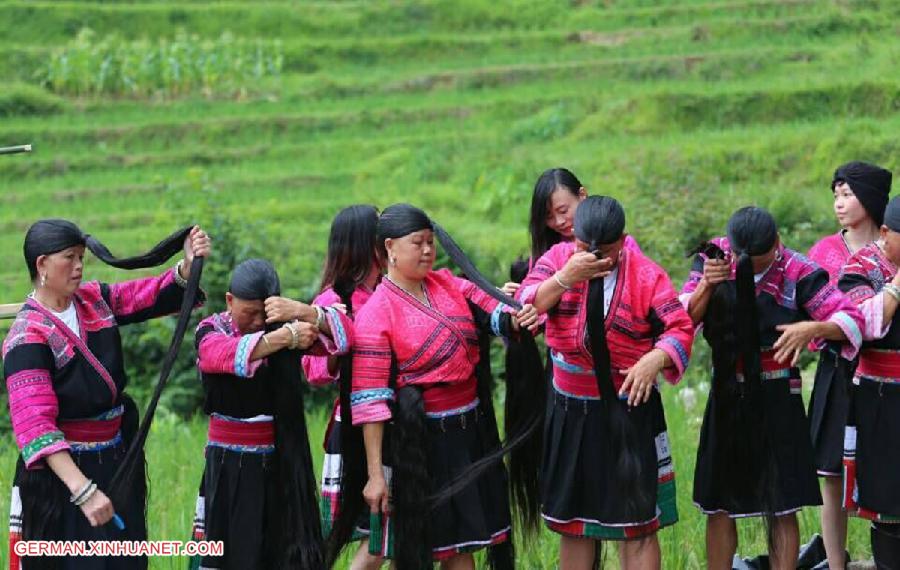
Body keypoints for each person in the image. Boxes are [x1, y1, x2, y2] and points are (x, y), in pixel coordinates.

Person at [340, 204, 538, 570]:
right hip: (417, 444)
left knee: (462, 547)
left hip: (469, 435)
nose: (428, 251)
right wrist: (374, 477)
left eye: (431, 242)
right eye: (418, 243)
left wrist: (516, 317)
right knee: (414, 548)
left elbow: (492, 313)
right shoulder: (376, 313)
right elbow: (369, 403)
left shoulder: (449, 283)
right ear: (390, 248)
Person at [4, 220, 209, 570]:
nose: (79, 266)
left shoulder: (92, 300)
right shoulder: (26, 338)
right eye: (69, 257)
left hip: (115, 462)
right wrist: (83, 492)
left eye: (82, 257)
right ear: (42, 265)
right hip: (63, 481)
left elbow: (145, 295)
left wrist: (187, 267)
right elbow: (37, 429)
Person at [682, 206, 863, 570]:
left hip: (778, 393)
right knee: (720, 507)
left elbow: (850, 318)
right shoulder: (714, 257)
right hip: (726, 392)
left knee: (782, 506)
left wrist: (812, 329)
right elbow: (680, 320)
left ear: (778, 243)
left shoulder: (798, 270)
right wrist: (707, 284)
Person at [517, 196, 692, 570]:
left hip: (629, 409)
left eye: (607, 251)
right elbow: (526, 301)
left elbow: (679, 327)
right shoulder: (556, 261)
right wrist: (566, 277)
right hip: (571, 411)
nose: (595, 256)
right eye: (584, 248)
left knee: (638, 524)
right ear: (573, 238)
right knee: (575, 525)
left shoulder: (647, 275)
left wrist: (655, 358)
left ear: (623, 240)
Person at [191, 258, 352, 569]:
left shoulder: (286, 326)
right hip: (227, 466)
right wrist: (282, 338)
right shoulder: (212, 329)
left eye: (262, 314)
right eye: (248, 312)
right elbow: (217, 356)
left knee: (278, 555)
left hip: (280, 464)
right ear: (229, 300)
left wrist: (305, 312)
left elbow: (347, 337)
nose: (255, 321)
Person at [807, 161, 891, 569]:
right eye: (835, 194)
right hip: (838, 373)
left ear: (871, 200)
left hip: (885, 377)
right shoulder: (823, 252)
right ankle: (837, 563)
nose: (839, 203)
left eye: (847, 194)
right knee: (832, 473)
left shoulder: (894, 248)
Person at [302, 205, 385, 570]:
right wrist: (338, 343)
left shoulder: (393, 288)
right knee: (380, 537)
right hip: (354, 426)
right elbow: (314, 370)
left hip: (393, 422)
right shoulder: (331, 301)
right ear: (365, 244)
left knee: (393, 535)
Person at [838, 194, 900, 568]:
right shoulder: (860, 267)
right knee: (887, 504)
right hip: (879, 399)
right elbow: (861, 325)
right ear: (885, 232)